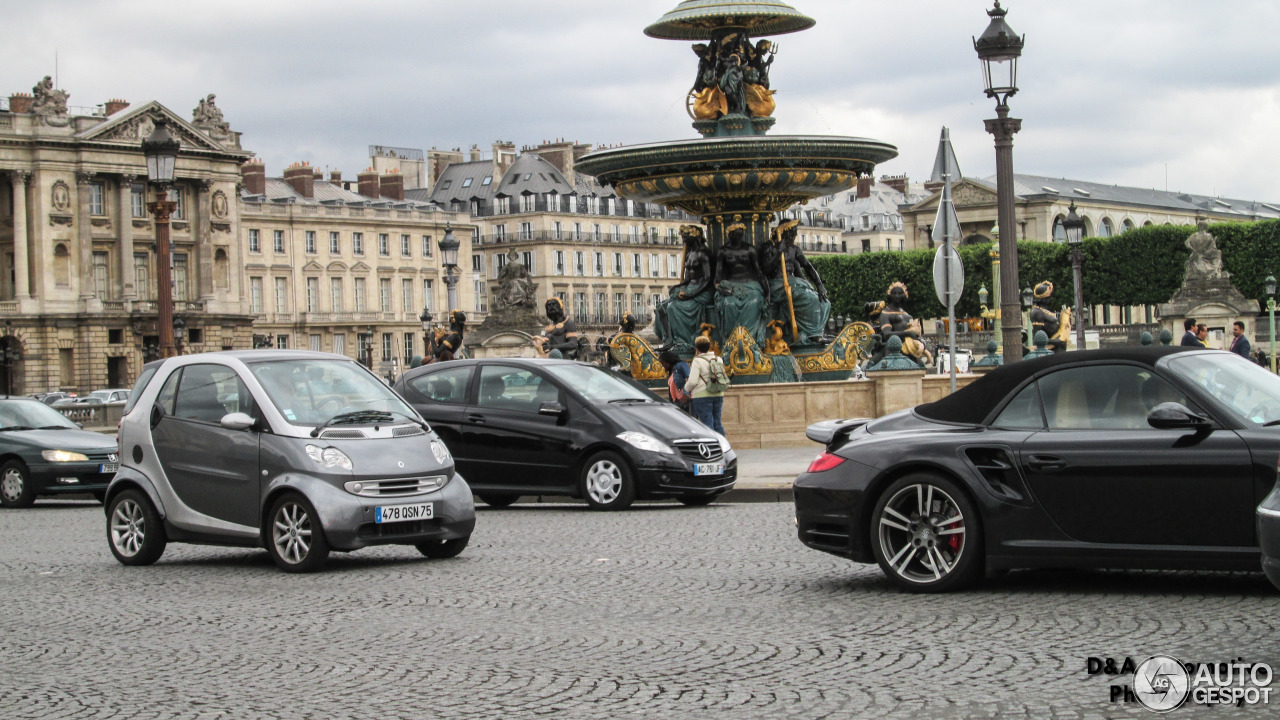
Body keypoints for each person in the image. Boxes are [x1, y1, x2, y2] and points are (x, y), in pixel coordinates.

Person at [684, 336, 726, 434]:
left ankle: (712, 446)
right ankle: (722, 445)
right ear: (709, 347)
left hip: (702, 395)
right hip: (718, 393)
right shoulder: (718, 359)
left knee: (707, 424)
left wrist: (685, 389)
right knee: (718, 423)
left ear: (697, 349)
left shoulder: (697, 361)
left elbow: (693, 381)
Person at [659, 350, 692, 414]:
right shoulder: (671, 371)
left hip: (685, 400)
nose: (663, 366)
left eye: (663, 363)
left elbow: (689, 378)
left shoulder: (680, 366)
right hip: (677, 401)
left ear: (668, 361)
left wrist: (685, 393)